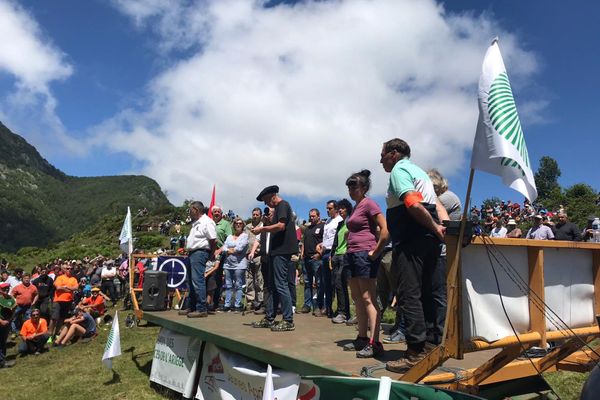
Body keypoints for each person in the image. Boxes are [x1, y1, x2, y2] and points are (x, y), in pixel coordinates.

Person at [380, 138, 448, 373]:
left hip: (411, 238)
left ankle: (414, 352)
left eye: (382, 155)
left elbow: (412, 204)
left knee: (410, 294)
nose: (380, 160)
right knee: (428, 292)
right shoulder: (418, 170)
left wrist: (433, 227)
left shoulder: (399, 171)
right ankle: (430, 344)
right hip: (427, 239)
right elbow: (432, 205)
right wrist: (437, 228)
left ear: (394, 153)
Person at [342, 170, 389, 358]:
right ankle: (362, 337)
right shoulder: (356, 207)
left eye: (354, 186)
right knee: (357, 298)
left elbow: (385, 230)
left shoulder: (369, 203)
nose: (351, 189)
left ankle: (374, 342)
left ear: (364, 188)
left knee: (368, 298)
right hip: (352, 254)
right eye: (349, 186)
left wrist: (375, 251)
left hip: (364, 254)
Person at [251, 185, 297, 332]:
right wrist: (267, 223)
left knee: (281, 284)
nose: (265, 204)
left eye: (265, 200)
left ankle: (288, 319)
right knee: (271, 286)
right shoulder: (277, 210)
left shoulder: (283, 205)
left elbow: (281, 226)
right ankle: (269, 317)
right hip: (275, 251)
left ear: (272, 196)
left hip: (282, 251)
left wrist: (262, 228)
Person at [180, 201, 217, 318]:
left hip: (200, 252)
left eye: (190, 210)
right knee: (190, 281)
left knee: (197, 280)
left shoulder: (207, 222)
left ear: (196, 209)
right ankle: (192, 306)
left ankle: (201, 308)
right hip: (192, 252)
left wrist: (211, 254)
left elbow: (213, 240)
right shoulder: (195, 223)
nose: (189, 212)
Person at [330, 199, 353, 324]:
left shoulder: (351, 222)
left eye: (343, 208)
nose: (340, 210)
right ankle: (343, 311)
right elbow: (336, 242)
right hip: (337, 256)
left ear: (348, 209)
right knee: (338, 284)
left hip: (346, 256)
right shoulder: (340, 224)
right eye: (339, 208)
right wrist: (332, 255)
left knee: (342, 283)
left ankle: (343, 313)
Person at [221, 218, 249, 312]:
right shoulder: (229, 236)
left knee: (238, 285)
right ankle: (227, 304)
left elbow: (240, 248)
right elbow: (224, 247)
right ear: (233, 225)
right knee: (228, 285)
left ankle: (237, 305)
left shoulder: (245, 236)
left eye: (240, 223)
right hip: (227, 264)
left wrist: (230, 249)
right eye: (236, 223)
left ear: (243, 225)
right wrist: (229, 250)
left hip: (239, 265)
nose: (238, 225)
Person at [320, 200, 343, 318]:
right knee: (326, 282)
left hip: (334, 253)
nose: (328, 210)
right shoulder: (327, 221)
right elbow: (326, 237)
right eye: (327, 208)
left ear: (336, 208)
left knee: (336, 282)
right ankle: (328, 307)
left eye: (330, 208)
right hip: (324, 253)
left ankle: (340, 310)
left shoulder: (340, 221)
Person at [299, 209, 324, 314]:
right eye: (310, 216)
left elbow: (325, 241)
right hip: (306, 259)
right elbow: (303, 241)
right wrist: (302, 253)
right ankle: (307, 305)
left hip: (316, 259)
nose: (311, 218)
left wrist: (319, 254)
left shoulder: (322, 227)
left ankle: (318, 305)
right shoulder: (308, 229)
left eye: (313, 216)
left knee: (318, 282)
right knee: (307, 282)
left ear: (318, 216)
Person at [49, 263, 78, 341]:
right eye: (68, 268)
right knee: (54, 318)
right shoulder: (59, 278)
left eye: (71, 269)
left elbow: (76, 288)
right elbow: (58, 288)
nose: (69, 270)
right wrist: (69, 290)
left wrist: (66, 287)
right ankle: (50, 334)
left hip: (68, 301)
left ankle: (56, 334)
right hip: (58, 300)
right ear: (65, 270)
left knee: (61, 319)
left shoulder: (74, 279)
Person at [211, 205, 233, 311]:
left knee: (217, 278)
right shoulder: (209, 223)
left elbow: (229, 240)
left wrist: (219, 250)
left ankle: (216, 302)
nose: (216, 213)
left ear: (221, 213)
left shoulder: (226, 224)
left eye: (218, 211)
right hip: (209, 254)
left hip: (221, 254)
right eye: (214, 211)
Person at [244, 208, 264, 312]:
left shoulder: (263, 225)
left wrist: (256, 251)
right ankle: (250, 301)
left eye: (257, 214)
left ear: (260, 215)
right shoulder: (247, 227)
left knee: (259, 280)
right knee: (249, 280)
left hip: (259, 255)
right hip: (248, 256)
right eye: (253, 214)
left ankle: (259, 301)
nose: (255, 216)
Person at [0, 282, 16, 368]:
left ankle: (2, 361)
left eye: (7, 288)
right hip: (1, 322)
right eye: (4, 288)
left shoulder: (11, 299)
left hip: (6, 324)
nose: (6, 290)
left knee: (3, 342)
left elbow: (13, 311)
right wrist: (1, 321)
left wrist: (9, 320)